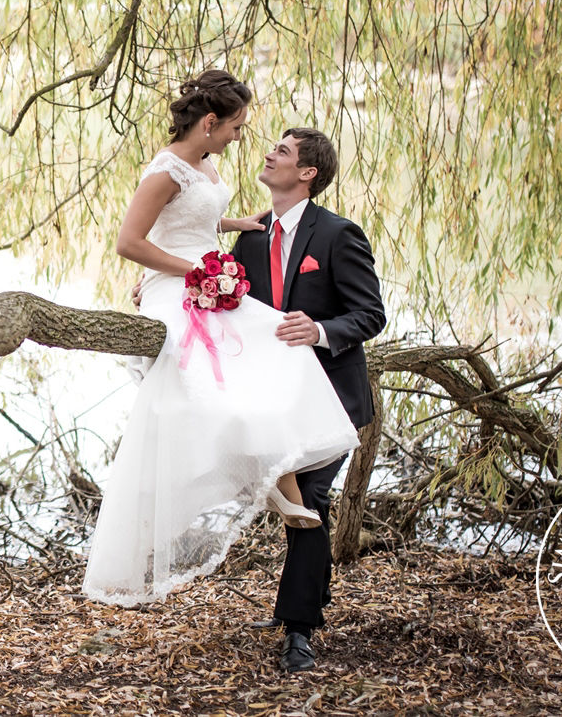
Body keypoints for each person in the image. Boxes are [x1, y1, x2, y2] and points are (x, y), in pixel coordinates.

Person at [81, 70, 362, 635]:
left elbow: (198, 219)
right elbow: (135, 242)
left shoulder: (328, 231)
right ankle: (267, 485)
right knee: (218, 384)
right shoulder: (178, 181)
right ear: (210, 123)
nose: (242, 139)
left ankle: (296, 596)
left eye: (269, 142)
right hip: (186, 286)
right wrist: (200, 271)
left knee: (273, 342)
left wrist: (234, 231)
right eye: (236, 127)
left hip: (253, 317)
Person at [232, 126, 386, 673]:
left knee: (309, 501)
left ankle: (299, 630)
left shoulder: (339, 235)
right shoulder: (250, 238)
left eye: (284, 151)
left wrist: (317, 329)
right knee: (293, 500)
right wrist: (170, 289)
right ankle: (307, 599)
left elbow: (370, 314)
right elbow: (229, 305)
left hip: (331, 398)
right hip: (273, 401)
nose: (269, 153)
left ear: (307, 174)